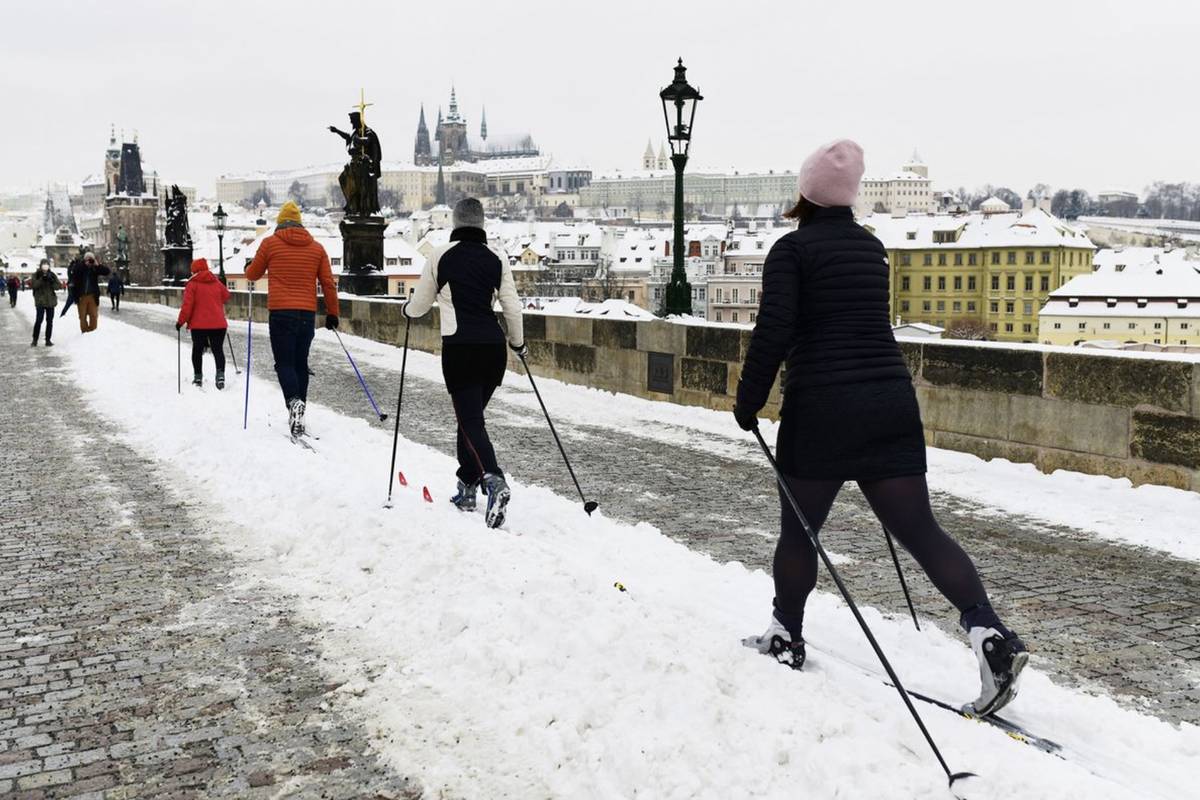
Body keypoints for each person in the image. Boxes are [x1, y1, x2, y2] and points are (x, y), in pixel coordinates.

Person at [735, 140, 1027, 717]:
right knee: (921, 531)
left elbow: (774, 331)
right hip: (889, 402)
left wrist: (748, 402)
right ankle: (989, 634)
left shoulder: (791, 251)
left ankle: (786, 634)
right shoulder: (872, 249)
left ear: (806, 192)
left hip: (821, 409)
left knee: (800, 533)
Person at [402, 198, 524, 529]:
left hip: (460, 348)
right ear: (482, 224)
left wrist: (407, 310)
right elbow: (512, 308)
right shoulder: (498, 258)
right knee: (469, 417)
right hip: (494, 352)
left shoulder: (440, 255)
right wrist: (518, 343)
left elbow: (421, 305)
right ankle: (467, 486)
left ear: (455, 224)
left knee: (469, 420)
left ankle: (493, 479)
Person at [244, 201, 339, 436]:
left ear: (280, 222)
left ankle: (293, 402)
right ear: (300, 223)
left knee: (284, 364)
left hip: (281, 313)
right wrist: (332, 313)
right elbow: (328, 283)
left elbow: (252, 274)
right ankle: (300, 413)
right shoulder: (317, 248)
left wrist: (248, 265)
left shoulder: (270, 244)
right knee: (300, 365)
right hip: (306, 314)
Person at [175, 258, 232, 389]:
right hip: (218, 324)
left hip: (199, 325)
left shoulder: (192, 284)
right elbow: (226, 296)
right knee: (218, 350)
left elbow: (187, 306)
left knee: (197, 350)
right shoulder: (216, 282)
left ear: (194, 270)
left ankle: (198, 377)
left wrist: (180, 322)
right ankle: (220, 375)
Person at [70, 252, 111, 333]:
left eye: (91, 259)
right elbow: (74, 272)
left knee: (94, 315)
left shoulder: (94, 268)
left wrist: (97, 265)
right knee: (82, 316)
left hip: (93, 296)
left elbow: (107, 272)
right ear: (84, 259)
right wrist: (84, 265)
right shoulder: (79, 266)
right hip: (81, 296)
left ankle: (92, 333)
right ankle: (84, 332)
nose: (89, 261)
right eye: (88, 259)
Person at [29, 264, 61, 346]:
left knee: (49, 322)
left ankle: (48, 340)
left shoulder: (52, 275)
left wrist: (51, 280)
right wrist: (41, 279)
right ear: (41, 267)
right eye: (43, 267)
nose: (45, 269)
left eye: (46, 267)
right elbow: (33, 285)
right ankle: (35, 340)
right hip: (40, 301)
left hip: (50, 302)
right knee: (39, 320)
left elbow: (58, 286)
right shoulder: (36, 275)